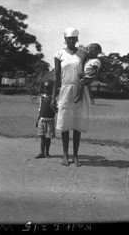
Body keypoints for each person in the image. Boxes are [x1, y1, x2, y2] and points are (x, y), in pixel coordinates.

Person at [50, 27, 90, 167]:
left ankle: (76, 156)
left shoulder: (83, 54)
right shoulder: (59, 54)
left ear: (77, 39)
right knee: (65, 125)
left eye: (74, 38)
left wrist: (80, 92)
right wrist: (53, 97)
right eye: (69, 38)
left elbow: (86, 75)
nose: (71, 40)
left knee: (77, 125)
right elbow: (56, 77)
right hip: (64, 91)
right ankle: (65, 155)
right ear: (65, 39)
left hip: (79, 90)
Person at [35, 81, 57, 159]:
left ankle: (47, 152)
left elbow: (56, 110)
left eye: (48, 89)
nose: (46, 90)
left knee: (48, 137)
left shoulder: (54, 99)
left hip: (50, 120)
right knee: (42, 136)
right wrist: (38, 120)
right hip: (42, 119)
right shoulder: (42, 98)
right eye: (45, 89)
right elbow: (40, 109)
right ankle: (41, 152)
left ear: (52, 89)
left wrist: (55, 108)